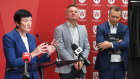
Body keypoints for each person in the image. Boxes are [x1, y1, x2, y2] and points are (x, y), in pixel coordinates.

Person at [3, 9, 57, 79]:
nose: (29, 24)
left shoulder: (31, 37)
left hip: (32, 76)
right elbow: (12, 63)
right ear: (17, 23)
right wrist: (33, 54)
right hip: (17, 76)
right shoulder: (9, 37)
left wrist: (47, 53)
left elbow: (34, 63)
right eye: (26, 21)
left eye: (30, 20)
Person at [54, 4, 90, 79]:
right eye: (71, 11)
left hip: (81, 67)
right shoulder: (59, 29)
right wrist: (73, 63)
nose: (73, 13)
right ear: (66, 15)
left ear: (78, 15)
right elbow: (60, 48)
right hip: (66, 68)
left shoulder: (83, 29)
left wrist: (82, 62)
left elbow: (87, 47)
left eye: (75, 12)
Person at [94, 6, 130, 79]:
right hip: (106, 64)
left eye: (117, 17)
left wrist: (110, 44)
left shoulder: (125, 28)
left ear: (120, 17)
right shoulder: (101, 27)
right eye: (112, 16)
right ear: (109, 15)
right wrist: (119, 43)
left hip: (120, 64)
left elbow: (126, 44)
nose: (114, 19)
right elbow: (100, 45)